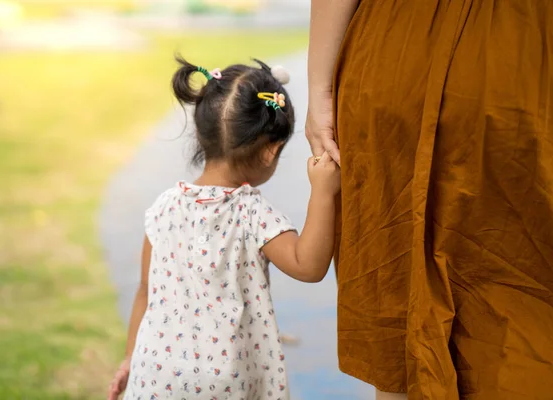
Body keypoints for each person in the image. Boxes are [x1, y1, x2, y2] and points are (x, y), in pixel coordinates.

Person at [306, 0, 553, 399]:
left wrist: (319, 88)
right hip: (524, 64)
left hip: (397, 52)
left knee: (400, 314)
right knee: (526, 317)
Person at [107, 56, 341, 400]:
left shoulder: (163, 208)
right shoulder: (250, 212)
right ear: (270, 151)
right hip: (226, 382)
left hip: (156, 373)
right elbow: (308, 266)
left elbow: (145, 290)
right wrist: (323, 191)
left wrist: (130, 358)